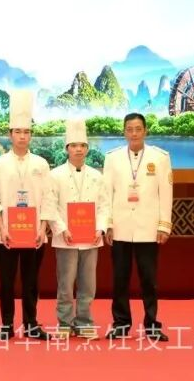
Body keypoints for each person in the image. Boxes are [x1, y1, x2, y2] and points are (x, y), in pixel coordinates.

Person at [0, 90, 51, 340]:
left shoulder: (41, 164)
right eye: (18, 132)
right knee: (6, 282)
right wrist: (2, 228)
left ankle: (31, 323)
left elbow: (48, 198)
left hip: (34, 234)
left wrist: (42, 229)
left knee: (31, 281)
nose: (22, 136)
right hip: (7, 235)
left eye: (26, 132)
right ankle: (6, 325)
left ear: (31, 134)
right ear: (10, 134)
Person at [104, 112, 172, 342]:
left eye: (138, 129)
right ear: (124, 132)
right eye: (129, 129)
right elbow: (106, 194)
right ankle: (121, 324)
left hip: (148, 229)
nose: (134, 133)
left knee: (149, 280)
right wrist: (108, 224)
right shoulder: (112, 158)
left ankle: (152, 325)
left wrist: (164, 225)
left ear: (145, 131)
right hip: (120, 227)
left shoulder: (160, 157)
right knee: (120, 279)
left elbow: (166, 193)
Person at [45, 119, 110, 338]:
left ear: (87, 149)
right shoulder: (55, 175)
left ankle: (84, 322)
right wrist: (62, 229)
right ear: (67, 148)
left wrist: (100, 229)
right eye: (74, 145)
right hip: (67, 239)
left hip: (91, 239)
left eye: (82, 145)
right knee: (65, 284)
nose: (78, 149)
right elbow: (50, 205)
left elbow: (104, 206)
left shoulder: (97, 176)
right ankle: (64, 323)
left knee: (88, 285)